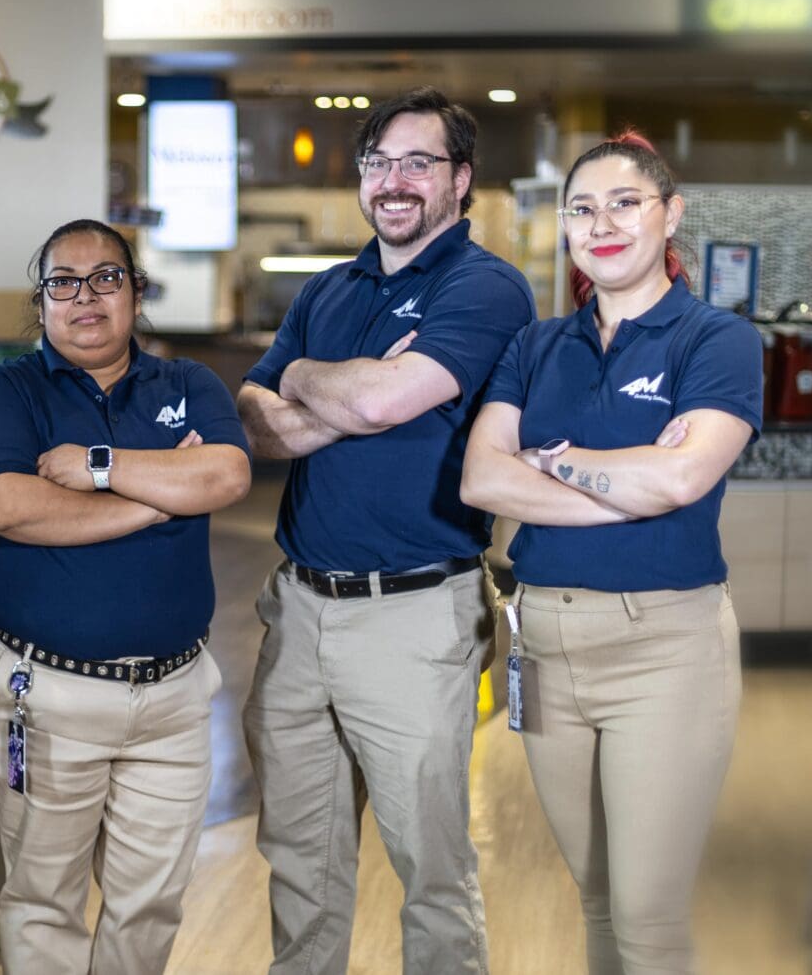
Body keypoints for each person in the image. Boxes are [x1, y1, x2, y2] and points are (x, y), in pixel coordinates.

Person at [235, 87, 535, 974]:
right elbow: (253, 420)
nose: (394, 180)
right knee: (300, 861)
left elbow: (376, 401)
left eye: (418, 162)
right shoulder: (329, 289)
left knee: (430, 869)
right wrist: (347, 388)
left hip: (413, 616)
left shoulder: (484, 287)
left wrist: (306, 380)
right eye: (378, 162)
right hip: (297, 613)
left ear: (460, 179)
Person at [460, 130, 762, 975]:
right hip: (544, 645)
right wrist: (625, 483)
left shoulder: (715, 340)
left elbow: (682, 478)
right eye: (582, 209)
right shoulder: (535, 346)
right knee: (594, 897)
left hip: (664, 648)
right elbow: (481, 479)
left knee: (647, 915)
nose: (602, 224)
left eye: (625, 203)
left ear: (671, 214)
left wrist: (547, 462)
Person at [0, 218, 252, 973]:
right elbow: (6, 506)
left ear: (136, 293)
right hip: (48, 696)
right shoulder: (5, 390)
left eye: (106, 278)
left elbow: (225, 475)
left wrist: (97, 466)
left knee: (151, 903)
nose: (85, 296)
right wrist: (158, 497)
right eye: (63, 282)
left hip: (176, 698)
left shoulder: (189, 383)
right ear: (42, 302)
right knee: (43, 900)